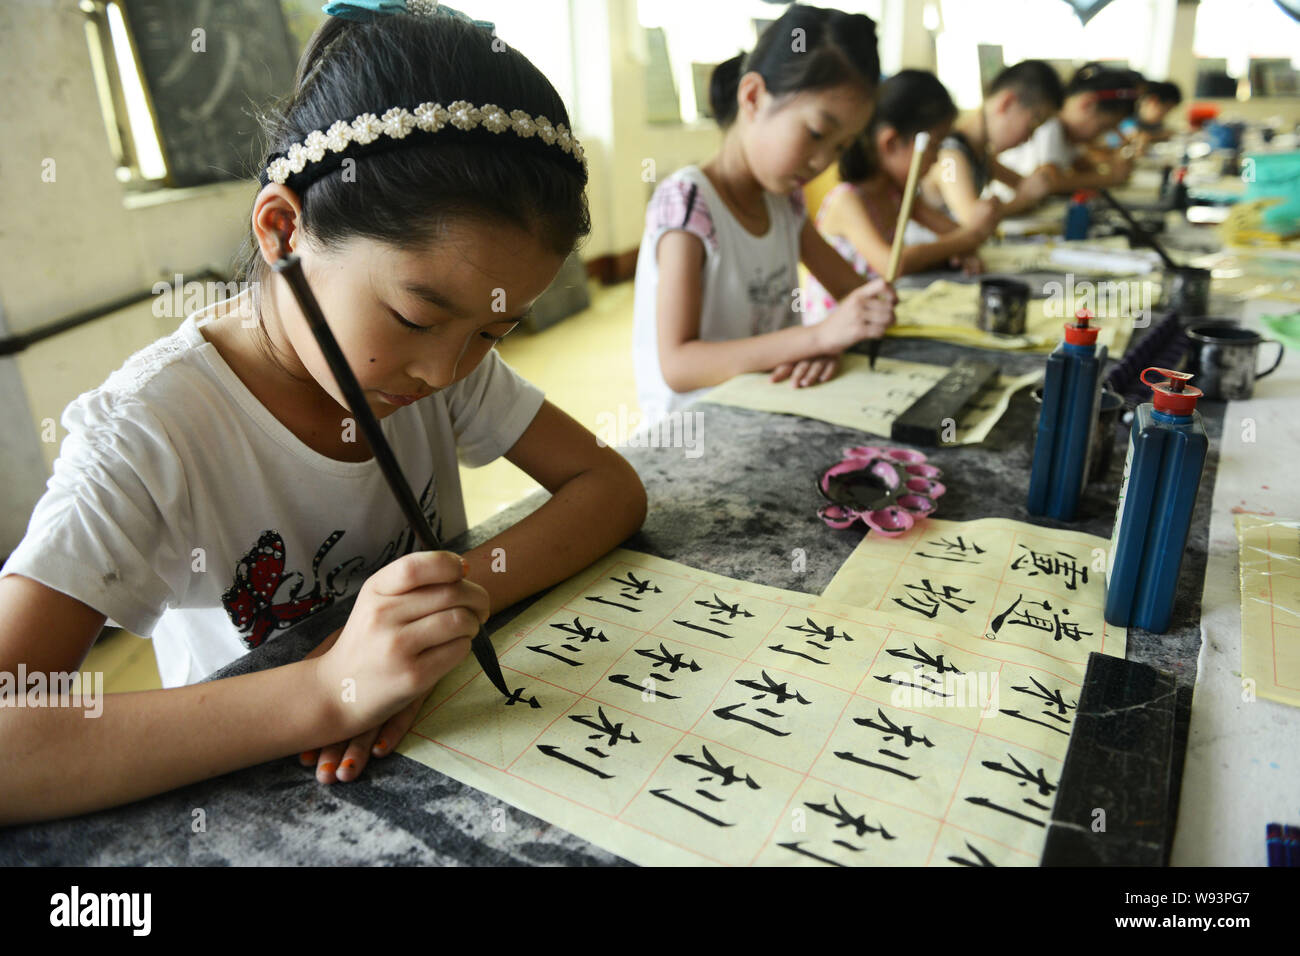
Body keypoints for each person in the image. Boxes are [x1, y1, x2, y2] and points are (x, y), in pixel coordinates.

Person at [0, 6, 647, 824]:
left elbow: (609, 486)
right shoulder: (148, 434)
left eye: (495, 329)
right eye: (415, 320)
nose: (444, 370)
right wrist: (327, 689)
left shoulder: (440, 365)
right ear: (283, 228)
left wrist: (446, 614)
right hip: (262, 794)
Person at [632, 3, 896, 425]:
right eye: (816, 134)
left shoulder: (785, 202)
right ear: (753, 97)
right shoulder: (687, 203)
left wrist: (861, 316)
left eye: (841, 147)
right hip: (697, 433)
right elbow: (679, 366)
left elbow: (853, 290)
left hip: (771, 413)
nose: (822, 162)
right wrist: (815, 337)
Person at [803, 70, 998, 326]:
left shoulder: (898, 194)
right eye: (934, 145)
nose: (938, 158)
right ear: (891, 142)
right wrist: (969, 237)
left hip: (878, 321)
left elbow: (953, 233)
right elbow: (892, 264)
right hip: (835, 330)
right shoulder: (846, 201)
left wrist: (962, 247)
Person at [921, 59, 1066, 225]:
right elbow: (972, 220)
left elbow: (1024, 184)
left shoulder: (979, 152)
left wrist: (1041, 183)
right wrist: (1023, 200)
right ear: (1007, 103)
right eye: (1033, 124)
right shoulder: (951, 155)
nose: (1029, 138)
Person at [993, 62, 1145, 200]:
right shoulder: (1050, 124)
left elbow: (1083, 167)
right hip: (1007, 212)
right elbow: (1050, 181)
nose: (1100, 135)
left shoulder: (1070, 135)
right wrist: (1110, 177)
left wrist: (1115, 164)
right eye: (1102, 127)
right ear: (1087, 105)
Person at [1119, 80, 1182, 153]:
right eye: (1166, 110)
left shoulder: (1152, 123)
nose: (1165, 116)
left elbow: (1167, 132)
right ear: (1153, 101)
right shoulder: (1127, 116)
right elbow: (1132, 136)